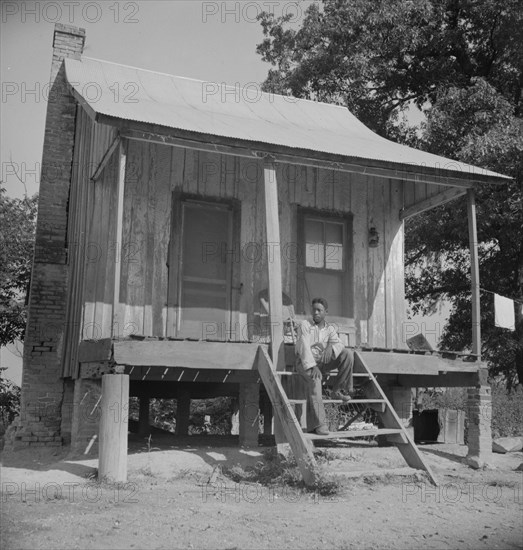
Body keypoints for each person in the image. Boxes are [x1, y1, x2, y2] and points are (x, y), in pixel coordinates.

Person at [295, 297, 354, 436]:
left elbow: (339, 344)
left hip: (321, 362)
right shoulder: (305, 325)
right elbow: (304, 347)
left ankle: (338, 390)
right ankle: (320, 425)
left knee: (348, 354)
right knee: (315, 380)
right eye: (313, 309)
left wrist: (329, 347)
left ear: (325, 312)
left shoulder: (329, 329)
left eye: (319, 310)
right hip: (305, 362)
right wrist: (313, 366)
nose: (315, 313)